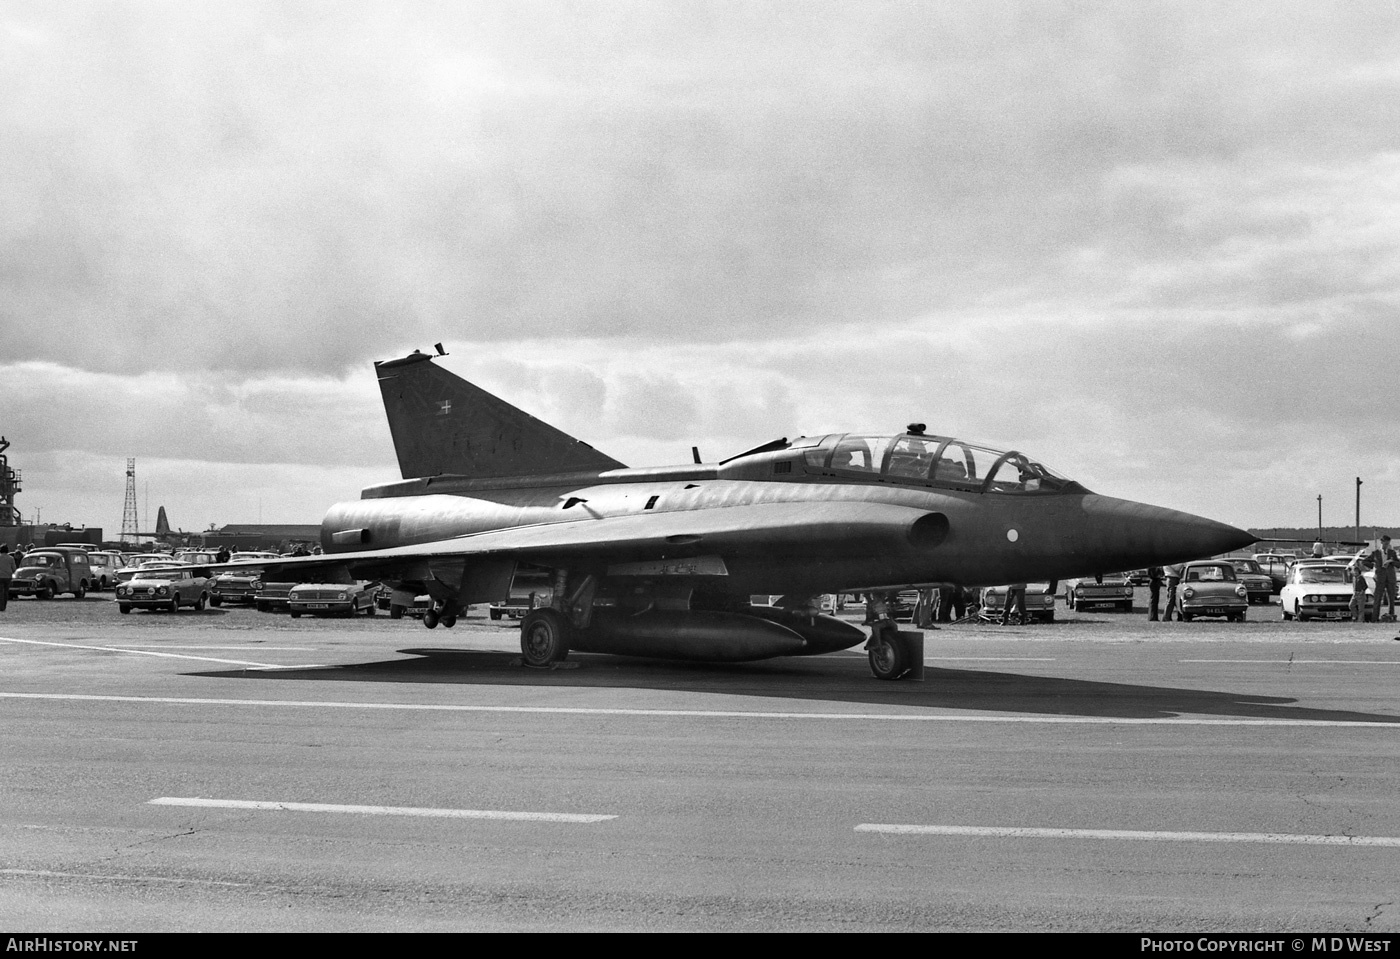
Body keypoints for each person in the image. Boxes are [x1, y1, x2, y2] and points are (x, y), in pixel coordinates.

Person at [1367, 536, 1399, 622]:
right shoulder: (1375, 553)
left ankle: (1391, 616)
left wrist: (1392, 562)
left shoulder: (1392, 552)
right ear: (1381, 542)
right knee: (1377, 598)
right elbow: (1365, 561)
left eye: (1388, 544)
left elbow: (1398, 564)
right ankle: (1374, 618)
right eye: (1385, 543)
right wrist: (1373, 566)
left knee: (1391, 598)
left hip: (1390, 578)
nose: (1387, 545)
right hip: (1380, 578)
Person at [1349, 552, 1370, 623]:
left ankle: (1360, 620)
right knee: (1351, 605)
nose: (1355, 572)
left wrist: (1362, 591)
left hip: (1361, 594)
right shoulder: (1354, 578)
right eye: (1354, 571)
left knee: (1361, 609)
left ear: (1359, 571)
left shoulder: (1361, 578)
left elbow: (1365, 586)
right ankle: (1355, 616)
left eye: (1356, 571)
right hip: (1355, 594)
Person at [0, 544, 14, 612]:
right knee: (6, 592)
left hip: (0, 576)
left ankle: (0, 606)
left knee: (0, 592)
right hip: (8, 577)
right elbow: (14, 568)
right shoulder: (11, 558)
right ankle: (4, 606)